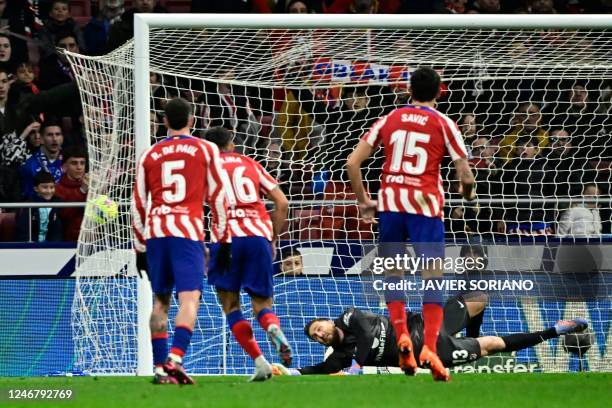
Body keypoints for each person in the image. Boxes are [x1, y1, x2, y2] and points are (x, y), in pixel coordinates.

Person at [346, 66, 475, 381]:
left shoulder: (389, 119)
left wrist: (364, 201)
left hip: (391, 206)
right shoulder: (444, 123)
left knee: (393, 272)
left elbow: (352, 163)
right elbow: (466, 174)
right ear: (440, 91)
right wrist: (468, 194)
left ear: (408, 89)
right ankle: (428, 347)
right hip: (425, 207)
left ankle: (402, 333)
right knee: (432, 276)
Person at [131, 98, 232, 385]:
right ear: (192, 119)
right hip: (186, 231)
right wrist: (222, 242)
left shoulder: (149, 154)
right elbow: (218, 198)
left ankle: (160, 369)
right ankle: (175, 360)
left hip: (156, 232)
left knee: (160, 302)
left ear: (164, 121)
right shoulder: (205, 148)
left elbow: (138, 203)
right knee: (190, 298)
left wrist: (140, 247)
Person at [274, 294, 587, 375]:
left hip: (426, 326)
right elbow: (319, 369)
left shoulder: (349, 317)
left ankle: (469, 334)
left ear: (329, 322)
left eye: (319, 328)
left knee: (479, 298)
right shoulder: (340, 356)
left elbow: (369, 337)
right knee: (493, 346)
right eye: (316, 337)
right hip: (431, 356)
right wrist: (291, 371)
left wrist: (357, 365)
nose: (320, 335)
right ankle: (554, 331)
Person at [205, 126, 292, 382]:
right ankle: (271, 326)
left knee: (231, 306)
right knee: (262, 304)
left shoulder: (206, 168)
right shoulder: (249, 163)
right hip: (257, 237)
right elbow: (283, 202)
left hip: (226, 239)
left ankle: (260, 361)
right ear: (232, 144)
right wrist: (273, 236)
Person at [19, 120, 63, 198]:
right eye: (50, 135)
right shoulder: (29, 165)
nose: (55, 139)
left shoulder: (69, 160)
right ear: (41, 139)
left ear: (62, 138)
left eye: (58, 134)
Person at [16, 170, 63, 242]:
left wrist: (55, 246)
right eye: (45, 187)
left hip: (53, 247)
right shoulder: (27, 205)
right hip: (31, 247)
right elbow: (23, 231)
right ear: (36, 189)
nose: (49, 191)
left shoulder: (58, 203)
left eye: (52, 187)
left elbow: (58, 231)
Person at [54, 145, 88, 241]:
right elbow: (63, 215)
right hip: (67, 242)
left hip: (94, 239)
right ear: (64, 167)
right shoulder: (57, 188)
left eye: (82, 163)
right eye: (74, 163)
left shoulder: (93, 186)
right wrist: (82, 191)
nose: (79, 167)